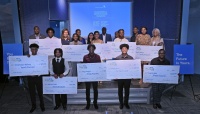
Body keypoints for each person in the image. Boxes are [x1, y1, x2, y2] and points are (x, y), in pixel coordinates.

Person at [28, 43, 45, 113]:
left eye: (35, 49)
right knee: (32, 92)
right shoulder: (27, 57)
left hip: (38, 77)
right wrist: (26, 58)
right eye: (32, 49)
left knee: (40, 92)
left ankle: (42, 105)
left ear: (37, 50)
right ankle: (33, 106)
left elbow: (43, 67)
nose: (34, 50)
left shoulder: (41, 58)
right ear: (31, 50)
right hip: (30, 78)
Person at [83, 44, 101, 110]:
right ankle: (88, 103)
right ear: (88, 49)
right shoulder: (85, 57)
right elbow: (83, 66)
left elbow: (99, 67)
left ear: (94, 49)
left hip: (95, 76)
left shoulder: (97, 56)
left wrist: (99, 76)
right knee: (87, 90)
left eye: (92, 48)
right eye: (90, 49)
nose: (91, 50)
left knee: (95, 90)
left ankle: (95, 103)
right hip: (87, 76)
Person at [115, 44, 133, 109]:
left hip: (128, 77)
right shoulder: (117, 58)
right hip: (120, 77)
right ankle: (121, 103)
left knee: (127, 90)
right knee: (120, 90)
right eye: (123, 48)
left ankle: (126, 103)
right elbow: (115, 68)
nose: (124, 50)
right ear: (121, 49)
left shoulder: (131, 58)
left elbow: (132, 68)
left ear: (127, 49)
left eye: (125, 48)